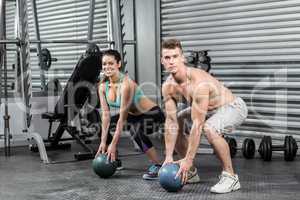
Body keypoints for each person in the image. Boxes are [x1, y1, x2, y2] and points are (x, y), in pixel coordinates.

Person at [161, 39, 248, 193]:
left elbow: (197, 125)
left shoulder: (198, 82)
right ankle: (191, 172)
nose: (171, 61)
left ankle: (231, 177)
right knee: (178, 119)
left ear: (183, 58)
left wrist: (189, 158)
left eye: (175, 56)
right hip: (209, 109)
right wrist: (168, 157)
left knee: (209, 127)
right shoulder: (168, 87)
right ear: (162, 61)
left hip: (234, 107)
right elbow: (171, 121)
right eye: (167, 58)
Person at [96, 49, 165, 180]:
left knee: (135, 130)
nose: (107, 67)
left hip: (153, 115)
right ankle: (113, 158)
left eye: (111, 63)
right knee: (102, 127)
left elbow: (122, 118)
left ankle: (157, 165)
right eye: (104, 64)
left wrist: (113, 143)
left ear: (119, 64)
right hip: (134, 116)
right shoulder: (103, 87)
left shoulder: (126, 84)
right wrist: (103, 142)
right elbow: (106, 115)